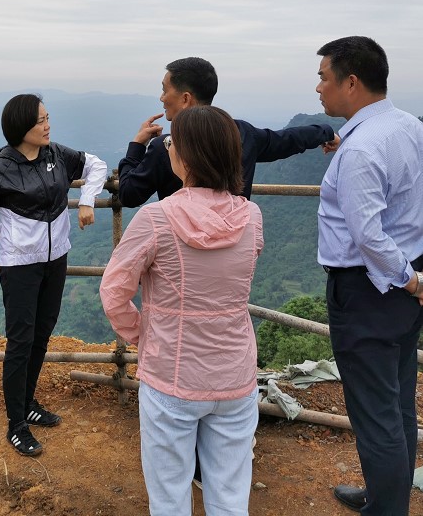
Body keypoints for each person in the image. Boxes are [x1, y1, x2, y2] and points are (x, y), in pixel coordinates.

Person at [100, 105, 263, 516]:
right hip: (236, 377)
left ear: (187, 157)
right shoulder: (251, 216)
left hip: (171, 377)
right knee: (231, 496)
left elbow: (114, 292)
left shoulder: (156, 218)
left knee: (170, 496)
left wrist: (143, 334)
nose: (168, 147)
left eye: (172, 142)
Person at [0, 94, 107, 456]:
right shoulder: (0, 169)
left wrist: (87, 200)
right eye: (40, 121)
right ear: (20, 127)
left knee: (41, 334)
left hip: (56, 258)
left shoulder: (55, 154)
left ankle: (27, 403)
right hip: (20, 266)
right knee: (20, 342)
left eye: (47, 118)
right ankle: (16, 424)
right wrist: (5, 235)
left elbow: (96, 165)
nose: (47, 125)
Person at [315, 36, 423, 515]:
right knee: (397, 403)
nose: (318, 87)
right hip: (404, 287)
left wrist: (409, 279)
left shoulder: (361, 149)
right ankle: (385, 495)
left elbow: (368, 236)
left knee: (375, 413)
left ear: (351, 82)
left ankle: (386, 508)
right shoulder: (409, 126)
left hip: (369, 291)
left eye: (324, 77)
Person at [118, 56, 340, 206]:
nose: (161, 98)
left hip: (182, 254)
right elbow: (289, 139)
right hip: (233, 251)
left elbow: (129, 195)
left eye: (164, 90)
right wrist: (326, 132)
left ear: (185, 98)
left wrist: (137, 145)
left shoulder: (168, 147)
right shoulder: (242, 133)